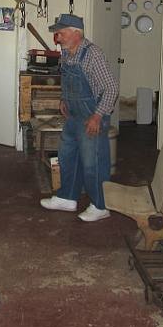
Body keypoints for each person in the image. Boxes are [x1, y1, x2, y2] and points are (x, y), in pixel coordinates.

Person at [39, 14, 119, 222]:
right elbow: (67, 81)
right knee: (67, 157)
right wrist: (63, 99)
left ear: (76, 33)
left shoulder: (93, 55)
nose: (57, 37)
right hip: (74, 116)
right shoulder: (66, 53)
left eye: (61, 32)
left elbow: (111, 89)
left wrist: (97, 116)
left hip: (92, 116)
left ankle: (100, 205)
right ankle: (67, 198)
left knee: (93, 162)